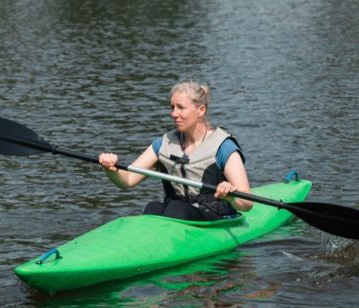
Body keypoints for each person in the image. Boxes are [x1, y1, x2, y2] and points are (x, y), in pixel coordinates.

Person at [98, 80, 252, 221]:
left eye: (181, 108)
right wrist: (111, 169)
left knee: (177, 209)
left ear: (201, 110)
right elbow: (128, 180)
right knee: (153, 207)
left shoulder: (224, 147)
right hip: (176, 214)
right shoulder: (164, 143)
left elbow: (247, 203)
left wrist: (230, 196)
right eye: (172, 107)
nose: (173, 114)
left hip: (214, 217)